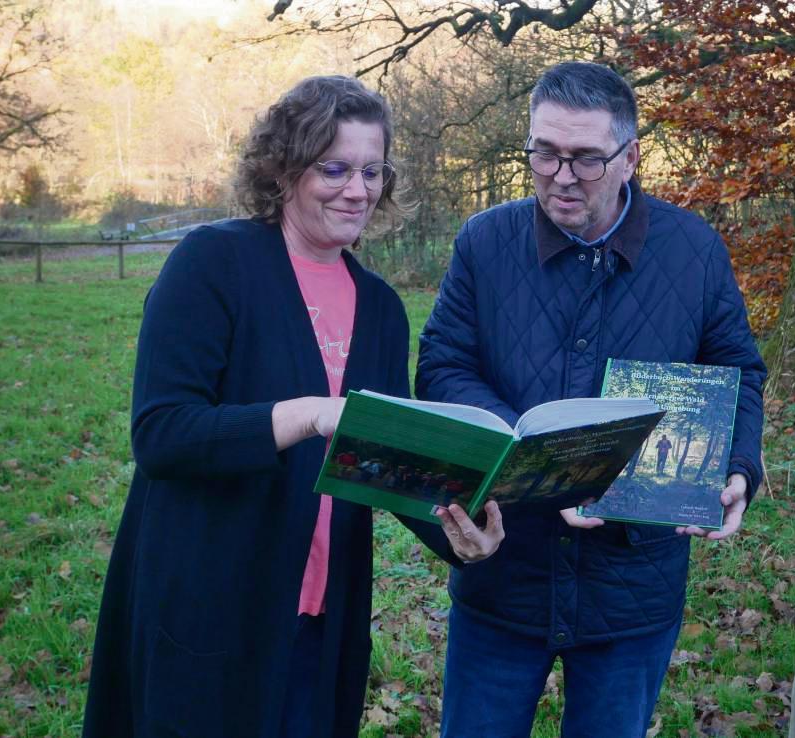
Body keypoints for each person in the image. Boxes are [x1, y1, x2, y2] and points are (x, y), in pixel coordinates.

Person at [83, 76, 503, 738]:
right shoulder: (213, 264)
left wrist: (459, 530)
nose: (357, 189)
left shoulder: (383, 310)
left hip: (318, 620)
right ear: (283, 170)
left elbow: (382, 463)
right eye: (333, 168)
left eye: (371, 171)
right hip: (208, 608)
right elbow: (162, 435)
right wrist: (307, 414)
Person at [416, 62, 766, 738]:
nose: (561, 176)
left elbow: (737, 369)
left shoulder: (692, 249)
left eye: (585, 159)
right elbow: (442, 366)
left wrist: (740, 463)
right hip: (504, 572)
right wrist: (538, 450)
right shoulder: (484, 243)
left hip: (632, 586)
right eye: (544, 154)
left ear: (631, 156)